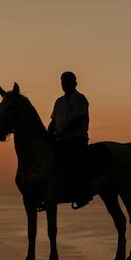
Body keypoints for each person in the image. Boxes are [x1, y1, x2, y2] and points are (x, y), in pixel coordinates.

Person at [47, 71, 91, 209]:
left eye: (68, 82)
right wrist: (47, 135)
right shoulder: (58, 102)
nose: (65, 85)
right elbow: (53, 122)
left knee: (71, 160)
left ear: (75, 83)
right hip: (60, 138)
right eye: (63, 82)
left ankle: (80, 192)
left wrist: (63, 132)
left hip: (76, 138)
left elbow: (79, 120)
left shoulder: (80, 99)